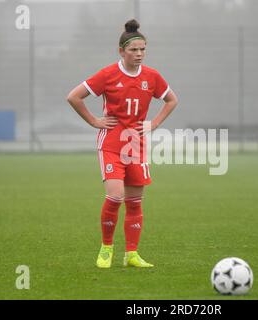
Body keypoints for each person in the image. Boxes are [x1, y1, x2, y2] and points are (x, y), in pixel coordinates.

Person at [66, 19, 178, 268]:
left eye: (143, 49)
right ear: (121, 51)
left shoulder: (152, 76)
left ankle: (132, 254)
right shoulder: (108, 75)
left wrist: (154, 124)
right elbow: (74, 97)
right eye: (133, 50)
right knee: (115, 196)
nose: (139, 54)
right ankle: (107, 248)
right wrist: (94, 120)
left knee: (135, 202)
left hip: (136, 146)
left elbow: (171, 100)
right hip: (112, 144)